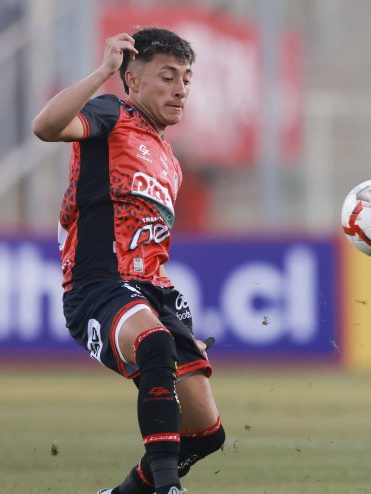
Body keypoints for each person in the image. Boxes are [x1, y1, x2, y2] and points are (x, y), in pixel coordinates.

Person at [32, 28, 224, 494]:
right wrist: (102, 73)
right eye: (168, 76)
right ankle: (166, 488)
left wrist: (182, 325)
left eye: (187, 78)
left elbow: (149, 245)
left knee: (206, 433)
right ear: (133, 82)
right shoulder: (111, 114)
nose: (180, 88)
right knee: (153, 343)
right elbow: (46, 127)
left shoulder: (170, 159)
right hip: (97, 285)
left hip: (153, 292)